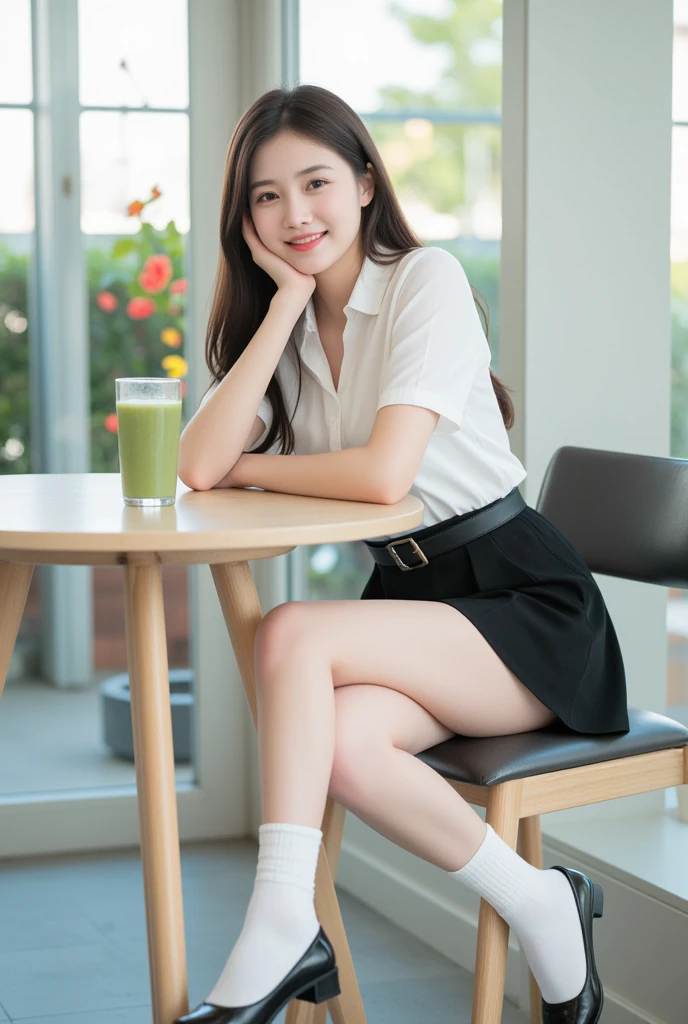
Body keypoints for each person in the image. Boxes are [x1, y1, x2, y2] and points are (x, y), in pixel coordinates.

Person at [174, 84, 627, 1024]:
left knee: (292, 633)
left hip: (524, 604)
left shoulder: (428, 281)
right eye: (266, 197)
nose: (295, 213)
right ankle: (541, 899)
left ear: (367, 183)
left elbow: (385, 476)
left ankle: (280, 920)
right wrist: (285, 304)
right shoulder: (290, 330)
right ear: (245, 219)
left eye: (316, 182)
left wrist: (258, 472)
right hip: (419, 607)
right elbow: (196, 463)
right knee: (336, 743)